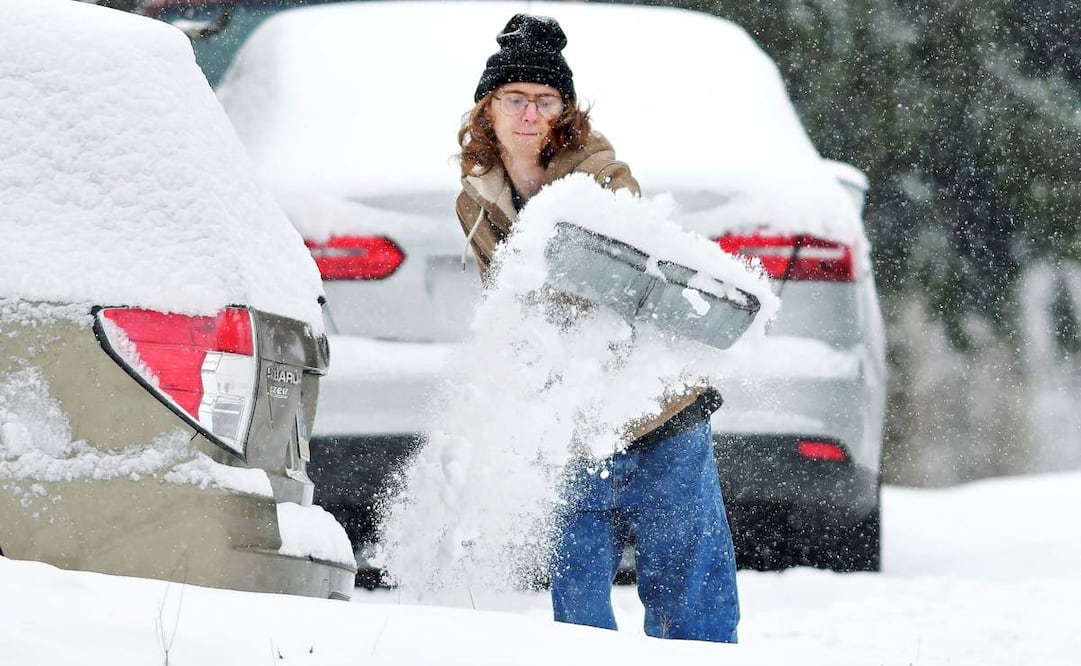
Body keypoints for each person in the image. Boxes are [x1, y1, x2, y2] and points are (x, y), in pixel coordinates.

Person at [455, 13, 740, 643]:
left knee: (687, 591)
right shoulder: (476, 198)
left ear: (565, 111)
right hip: (572, 419)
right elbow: (507, 304)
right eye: (515, 99)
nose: (530, 114)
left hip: (659, 407)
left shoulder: (603, 178)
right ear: (488, 109)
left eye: (546, 100)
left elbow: (629, 287)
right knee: (578, 595)